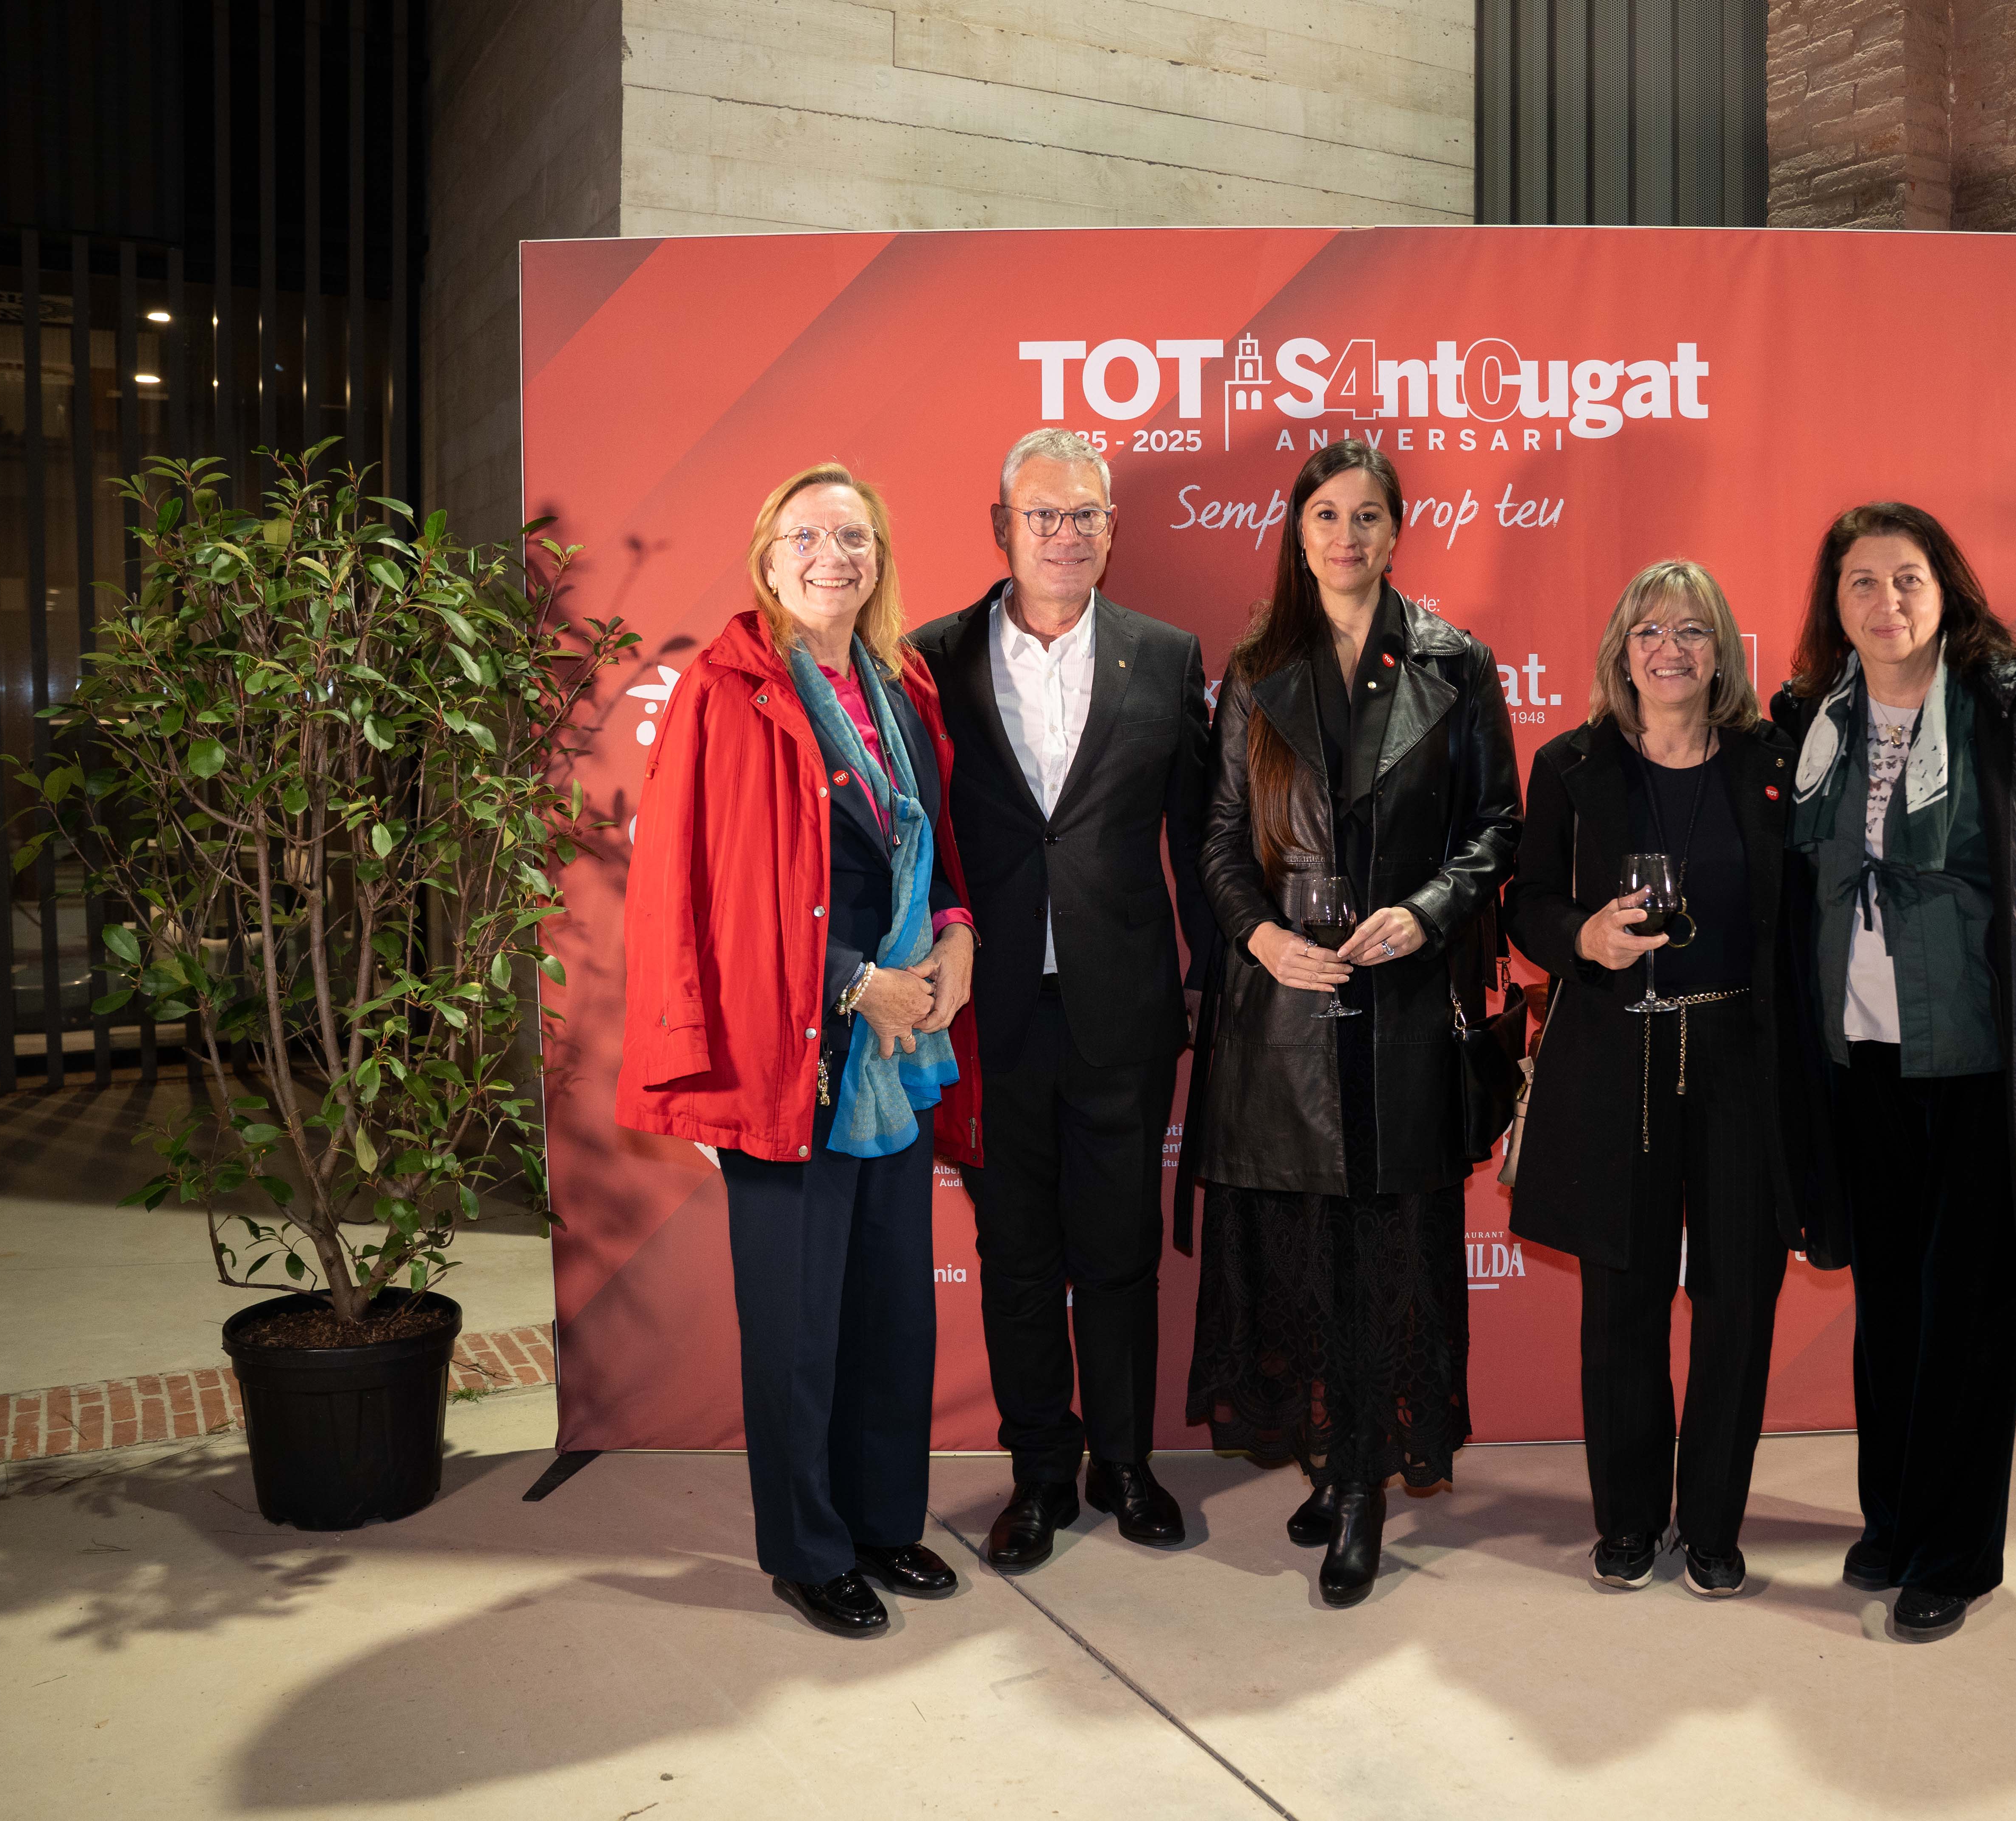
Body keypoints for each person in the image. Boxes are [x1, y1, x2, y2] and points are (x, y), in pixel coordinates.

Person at [617, 462, 982, 1639]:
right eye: (811, 535)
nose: (838, 555)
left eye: (858, 535)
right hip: (792, 1050)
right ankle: (808, 1548)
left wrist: (958, 938)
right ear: (768, 555)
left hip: (897, 1051)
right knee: (796, 1323)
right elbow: (704, 889)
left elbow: (935, 849)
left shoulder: (903, 683)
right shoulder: (727, 690)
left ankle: (882, 1522)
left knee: (890, 1312)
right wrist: (851, 985)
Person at [1772, 501, 2016, 1643]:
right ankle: (1888, 1521)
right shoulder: (1806, 721)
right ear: (1830, 603)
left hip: (1987, 1068)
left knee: (1966, 1317)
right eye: (1858, 584)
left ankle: (1952, 1553)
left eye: (1904, 580)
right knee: (1887, 1307)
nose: (1883, 604)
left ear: (1946, 591)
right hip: (1863, 1061)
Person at [1183, 440, 1522, 1608]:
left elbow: (1493, 826)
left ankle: (1370, 1485)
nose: (1347, 536)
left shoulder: (1454, 661)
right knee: (1306, 1261)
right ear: (1297, 530)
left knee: (1389, 1259)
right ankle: (1332, 1458)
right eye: (1326, 515)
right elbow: (1221, 837)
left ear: (1394, 532)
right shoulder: (1255, 668)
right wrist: (1257, 935)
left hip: (1402, 1008)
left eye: (1368, 516)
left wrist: (1426, 914)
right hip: (1283, 1018)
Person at [907, 430, 1215, 1571]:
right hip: (988, 1017)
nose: (1065, 535)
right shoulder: (930, 658)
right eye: (1043, 515)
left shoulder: (1166, 655)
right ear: (1001, 527)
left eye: (1084, 514)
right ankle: (1040, 1470)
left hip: (1121, 1014)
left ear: (1110, 530)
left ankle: (1124, 1464)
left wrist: (1208, 980)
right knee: (1018, 1256)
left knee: (1120, 1252)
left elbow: (1196, 835)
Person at [1504, 559, 1807, 1600]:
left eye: (1690, 631)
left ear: (1720, 651)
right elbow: (1524, 899)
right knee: (1622, 1305)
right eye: (1648, 632)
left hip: (1739, 1063)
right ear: (1619, 652)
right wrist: (1580, 934)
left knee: (1737, 1302)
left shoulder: (1773, 763)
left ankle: (1713, 1525)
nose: (1668, 650)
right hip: (1617, 1058)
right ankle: (1629, 1521)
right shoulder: (1572, 764)